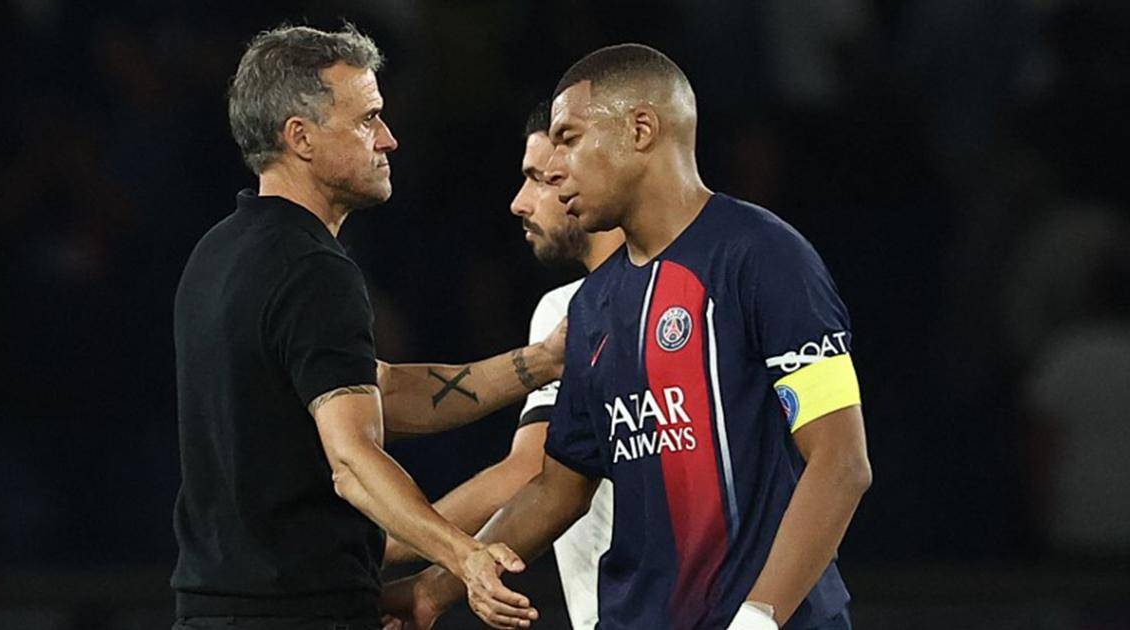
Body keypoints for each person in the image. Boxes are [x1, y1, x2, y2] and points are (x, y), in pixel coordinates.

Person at [383, 44, 871, 630]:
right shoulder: (592, 308)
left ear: (641, 130)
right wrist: (433, 590)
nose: (555, 167)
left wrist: (758, 619)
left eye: (568, 139)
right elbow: (557, 489)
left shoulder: (764, 254)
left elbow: (841, 461)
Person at [172, 25, 563, 630]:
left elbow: (376, 390)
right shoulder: (313, 268)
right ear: (300, 137)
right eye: (367, 120)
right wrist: (464, 557)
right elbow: (351, 458)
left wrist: (541, 362)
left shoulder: (217, 253)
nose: (388, 138)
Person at [382, 102, 624, 630]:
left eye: (541, 178)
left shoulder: (572, 311)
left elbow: (531, 470)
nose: (519, 203)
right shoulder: (575, 309)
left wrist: (388, 544)